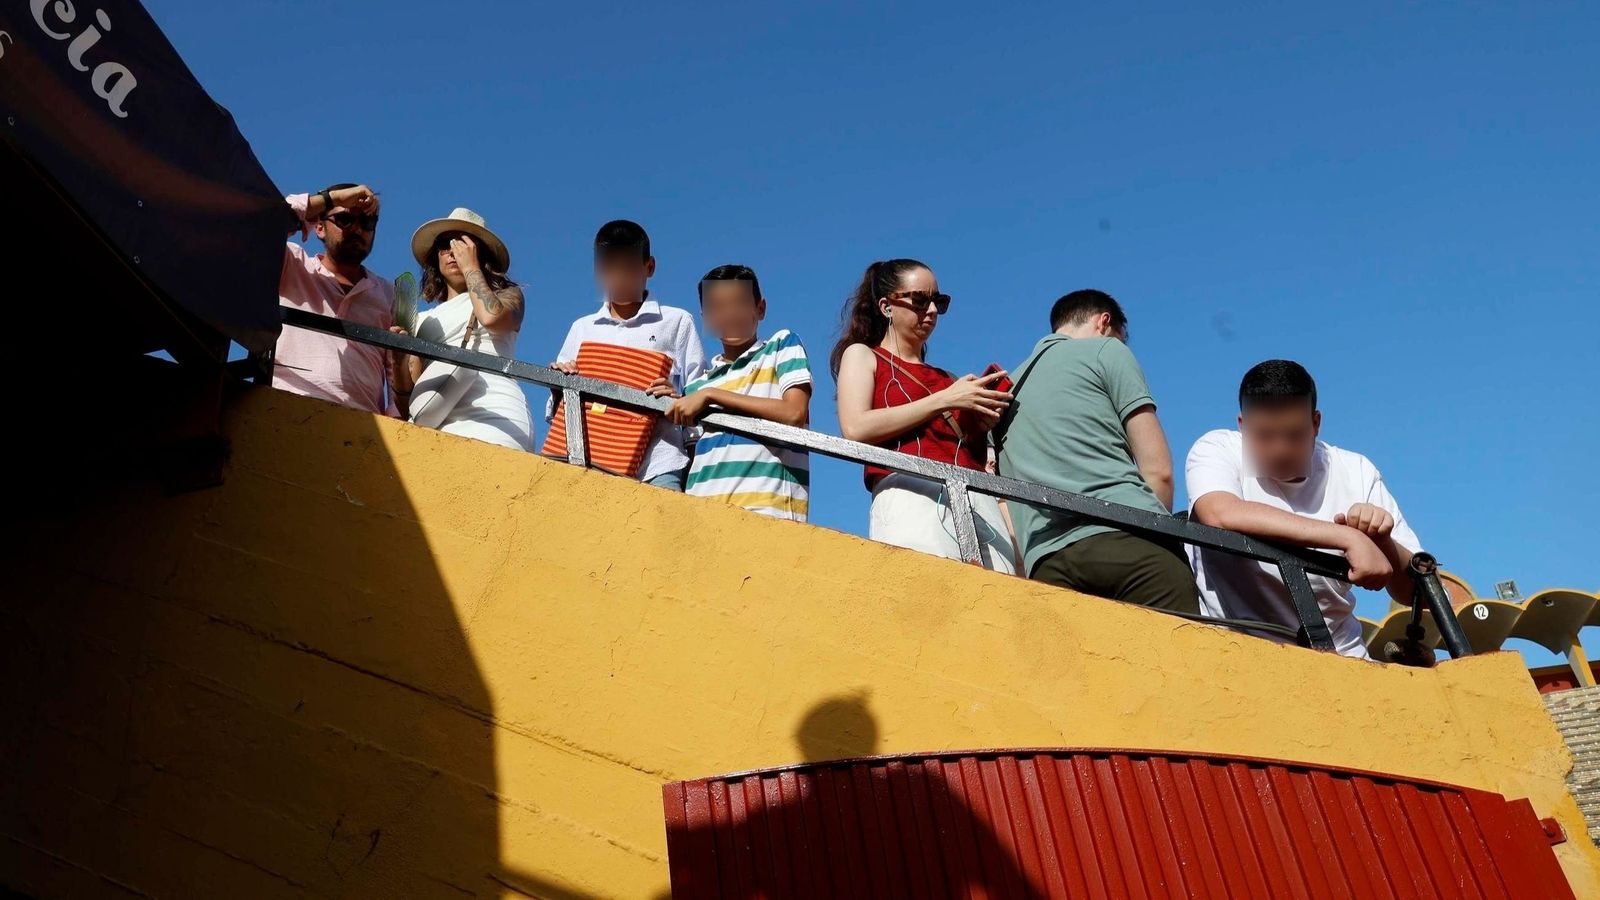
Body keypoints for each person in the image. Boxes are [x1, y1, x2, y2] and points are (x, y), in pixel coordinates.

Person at [1186, 360, 1422, 659]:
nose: (1280, 449)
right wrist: (1347, 538)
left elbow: (1413, 593)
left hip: (1341, 660)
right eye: (1265, 436)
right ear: (1242, 426)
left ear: (1316, 424)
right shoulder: (1216, 449)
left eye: (1294, 435)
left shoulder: (1356, 471)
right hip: (1240, 658)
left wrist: (1380, 540)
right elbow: (1220, 513)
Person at [995, 290, 1199, 613]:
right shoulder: (1106, 350)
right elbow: (1158, 470)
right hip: (1134, 543)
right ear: (1104, 322)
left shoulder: (1005, 390)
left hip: (1048, 564)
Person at [831, 259, 1017, 572]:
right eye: (919, 300)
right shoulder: (864, 355)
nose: (931, 310)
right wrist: (945, 399)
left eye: (938, 302)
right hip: (910, 496)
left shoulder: (947, 377)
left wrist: (981, 421)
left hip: (977, 502)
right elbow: (855, 426)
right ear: (886, 306)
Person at [550, 220, 704, 490]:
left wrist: (678, 399)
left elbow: (700, 393)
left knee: (660, 532)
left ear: (649, 267)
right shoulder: (582, 328)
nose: (618, 276)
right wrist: (559, 382)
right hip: (589, 463)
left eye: (628, 267)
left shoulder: (677, 321)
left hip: (659, 465)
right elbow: (556, 410)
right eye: (609, 268)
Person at [665, 265, 813, 520]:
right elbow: (691, 460)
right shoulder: (695, 387)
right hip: (702, 514)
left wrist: (712, 395)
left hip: (767, 512)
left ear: (760, 308)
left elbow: (794, 413)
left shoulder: (781, 346)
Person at [395, 208, 535, 451]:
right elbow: (406, 401)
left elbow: (492, 318)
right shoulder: (424, 320)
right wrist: (398, 362)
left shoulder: (509, 296)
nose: (452, 252)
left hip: (496, 416)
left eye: (462, 243)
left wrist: (471, 268)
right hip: (437, 422)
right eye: (444, 244)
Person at [274, 184, 410, 416]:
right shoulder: (292, 264)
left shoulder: (389, 294)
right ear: (318, 226)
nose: (357, 229)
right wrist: (331, 198)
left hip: (363, 429)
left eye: (367, 222)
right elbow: (261, 223)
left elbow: (399, 397)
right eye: (345, 219)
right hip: (284, 408)